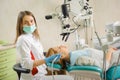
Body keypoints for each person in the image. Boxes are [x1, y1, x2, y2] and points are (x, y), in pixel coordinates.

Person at [14, 10, 60, 80]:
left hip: (41, 74)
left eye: (31, 21)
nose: (30, 24)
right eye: (26, 23)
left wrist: (51, 53)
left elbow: (37, 55)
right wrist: (47, 59)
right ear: (21, 25)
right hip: (33, 77)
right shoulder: (22, 40)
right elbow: (27, 64)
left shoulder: (34, 37)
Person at [46, 45, 117, 70]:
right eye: (59, 48)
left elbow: (96, 53)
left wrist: (107, 48)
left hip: (110, 53)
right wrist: (109, 52)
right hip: (116, 58)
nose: (61, 45)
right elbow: (104, 67)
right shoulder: (79, 59)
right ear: (61, 56)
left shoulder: (74, 55)